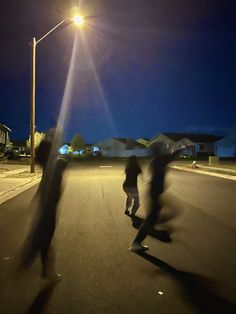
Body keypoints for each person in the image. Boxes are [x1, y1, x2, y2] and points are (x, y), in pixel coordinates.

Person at [18, 127, 67, 279]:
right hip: (49, 203)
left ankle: (41, 268)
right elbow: (61, 162)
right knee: (43, 235)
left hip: (47, 201)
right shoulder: (54, 161)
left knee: (43, 234)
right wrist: (51, 137)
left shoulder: (50, 160)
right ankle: (32, 265)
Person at [130, 143, 177, 252]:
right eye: (162, 148)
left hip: (155, 192)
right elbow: (171, 156)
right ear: (159, 151)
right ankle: (137, 242)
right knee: (152, 218)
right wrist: (182, 148)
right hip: (154, 192)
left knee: (155, 216)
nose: (164, 150)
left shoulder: (155, 161)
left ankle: (150, 231)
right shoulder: (159, 160)